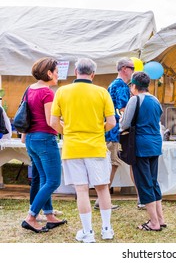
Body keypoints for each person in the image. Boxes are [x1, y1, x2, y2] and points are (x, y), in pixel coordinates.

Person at [50, 58, 116, 243]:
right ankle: (106, 229)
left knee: (82, 190)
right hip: (96, 147)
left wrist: (69, 133)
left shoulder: (62, 92)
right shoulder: (102, 92)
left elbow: (53, 122)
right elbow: (111, 122)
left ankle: (88, 232)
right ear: (93, 74)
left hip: (73, 147)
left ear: (76, 71)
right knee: (103, 189)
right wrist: (96, 130)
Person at [20, 57, 66, 233]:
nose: (57, 75)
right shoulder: (47, 93)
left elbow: (25, 115)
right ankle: (31, 217)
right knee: (53, 180)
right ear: (49, 73)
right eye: (56, 72)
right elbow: (50, 122)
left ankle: (49, 215)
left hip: (31, 139)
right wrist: (67, 132)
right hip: (45, 139)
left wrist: (24, 137)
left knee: (45, 180)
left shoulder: (29, 89)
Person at [94, 57, 144, 210]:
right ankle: (101, 200)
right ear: (124, 69)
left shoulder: (114, 85)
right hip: (116, 132)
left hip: (113, 131)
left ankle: (101, 200)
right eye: (132, 68)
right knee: (112, 165)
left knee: (113, 164)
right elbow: (123, 110)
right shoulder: (121, 86)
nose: (133, 71)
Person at [120, 72, 166, 231]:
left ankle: (154, 223)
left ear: (134, 86)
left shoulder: (135, 100)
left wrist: (120, 120)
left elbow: (125, 124)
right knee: (153, 181)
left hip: (140, 145)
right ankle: (160, 219)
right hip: (155, 144)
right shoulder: (156, 100)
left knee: (144, 183)